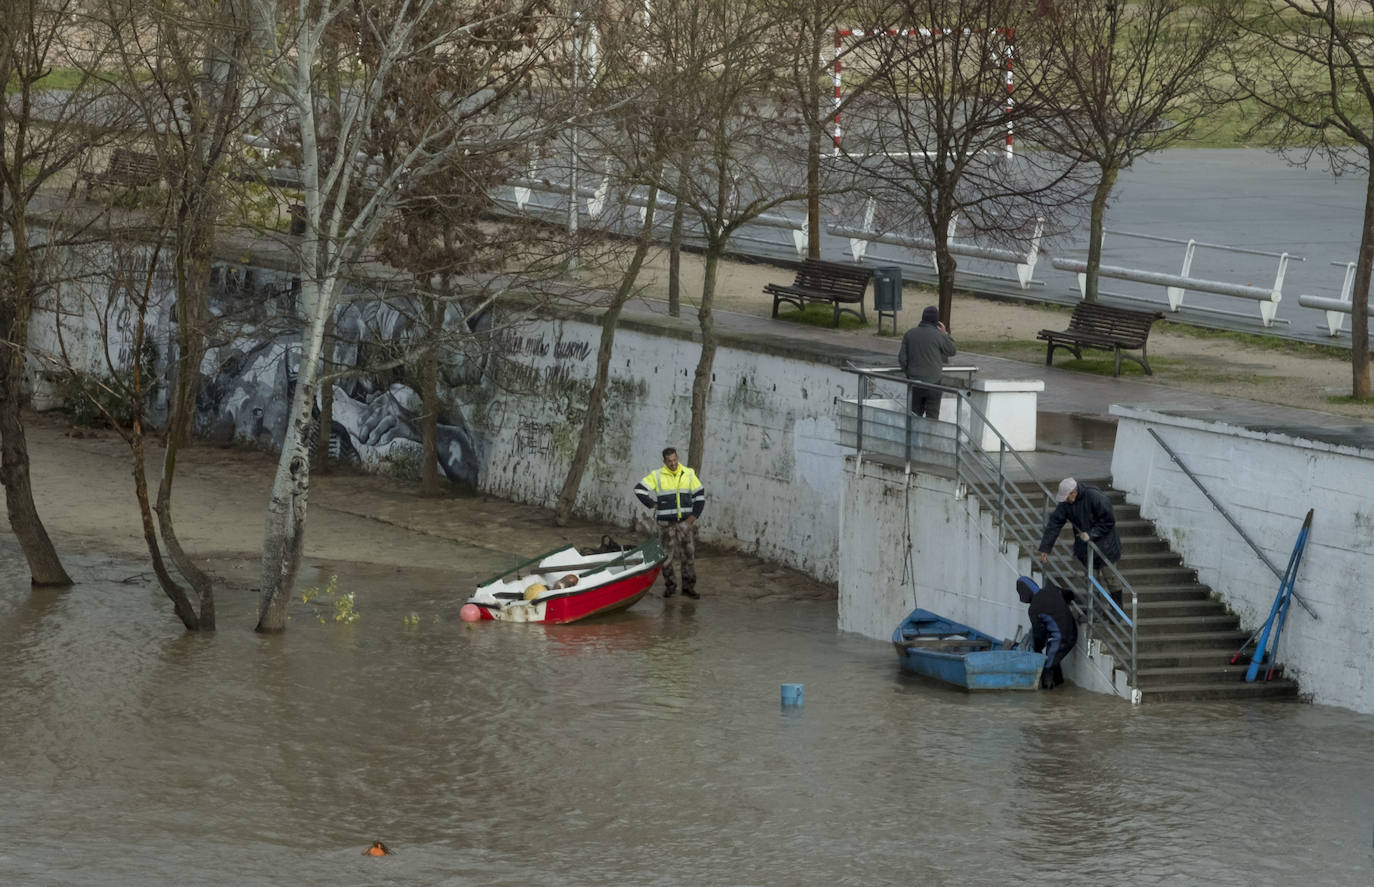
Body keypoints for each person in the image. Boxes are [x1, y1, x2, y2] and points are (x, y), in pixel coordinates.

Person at [1037, 477, 1124, 607]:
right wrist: (1045, 547)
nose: (1065, 500)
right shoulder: (1067, 503)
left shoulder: (1094, 497)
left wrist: (1091, 534)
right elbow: (1055, 523)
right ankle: (1094, 610)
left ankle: (1117, 611)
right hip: (1086, 548)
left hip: (1106, 547)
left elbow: (1109, 521)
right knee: (1091, 580)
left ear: (1074, 492)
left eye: (1066, 497)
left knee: (1111, 578)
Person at [634, 447, 706, 599]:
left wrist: (692, 518)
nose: (673, 463)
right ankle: (670, 587)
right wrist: (653, 504)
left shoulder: (688, 473)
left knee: (688, 556)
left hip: (685, 523)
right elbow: (639, 490)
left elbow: (700, 496)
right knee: (666, 558)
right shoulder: (657, 475)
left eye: (674, 460)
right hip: (666, 524)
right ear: (664, 461)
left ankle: (688, 588)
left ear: (678, 457)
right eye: (669, 461)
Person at [1017, 575, 1078, 689]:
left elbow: (1039, 633)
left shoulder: (1034, 609)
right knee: (1053, 658)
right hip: (1073, 631)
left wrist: (1037, 649)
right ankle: (1059, 688)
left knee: (1047, 666)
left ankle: (1048, 696)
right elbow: (1069, 594)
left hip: (1062, 638)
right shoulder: (1050, 589)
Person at [897, 305, 957, 418]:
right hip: (934, 383)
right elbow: (952, 350)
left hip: (915, 383)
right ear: (937, 321)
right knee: (932, 418)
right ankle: (931, 435)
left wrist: (909, 374)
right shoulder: (939, 335)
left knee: (914, 417)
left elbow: (902, 359)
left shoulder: (909, 334)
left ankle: (913, 435)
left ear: (922, 318)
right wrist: (946, 334)